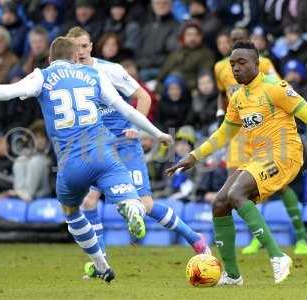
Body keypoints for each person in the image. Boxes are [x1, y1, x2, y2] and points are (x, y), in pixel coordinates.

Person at [0, 36, 173, 283]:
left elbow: (6, 91)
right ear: (76, 57)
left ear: (50, 59)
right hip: (104, 154)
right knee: (131, 196)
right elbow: (126, 109)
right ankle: (130, 207)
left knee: (72, 211)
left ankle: (102, 265)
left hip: (71, 162)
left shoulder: (42, 76)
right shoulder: (94, 75)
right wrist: (157, 133)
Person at [167, 41, 307, 285]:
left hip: (286, 155)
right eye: (232, 64)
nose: (236, 68)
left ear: (257, 64)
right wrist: (193, 156)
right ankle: (232, 275)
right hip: (260, 159)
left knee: (237, 192)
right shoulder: (238, 98)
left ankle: (278, 256)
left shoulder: (276, 88)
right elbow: (223, 134)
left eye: (242, 63)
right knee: (220, 203)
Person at [66, 27, 211, 278]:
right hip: (97, 148)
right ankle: (102, 265)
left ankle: (195, 239)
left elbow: (143, 97)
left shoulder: (111, 70)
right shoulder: (68, 77)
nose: (79, 52)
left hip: (124, 145)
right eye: (74, 47)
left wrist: (135, 126)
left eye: (83, 46)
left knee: (145, 204)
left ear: (91, 46)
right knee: (88, 201)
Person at [215, 29, 307, 256]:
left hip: (265, 132)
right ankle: (257, 238)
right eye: (231, 38)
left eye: (239, 38)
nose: (233, 41)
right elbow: (222, 94)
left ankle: (301, 236)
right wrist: (221, 112)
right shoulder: (221, 68)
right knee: (234, 189)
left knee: (279, 185)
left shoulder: (264, 64)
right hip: (238, 134)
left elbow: (278, 87)